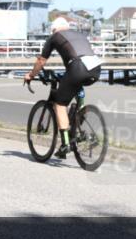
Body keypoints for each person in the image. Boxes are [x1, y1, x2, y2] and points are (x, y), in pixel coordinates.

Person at [23, 18, 102, 158]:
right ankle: (79, 116)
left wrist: (31, 74)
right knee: (75, 84)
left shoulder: (54, 37)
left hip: (77, 68)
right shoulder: (79, 34)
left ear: (54, 29)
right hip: (95, 68)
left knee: (59, 104)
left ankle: (66, 144)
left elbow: (41, 61)